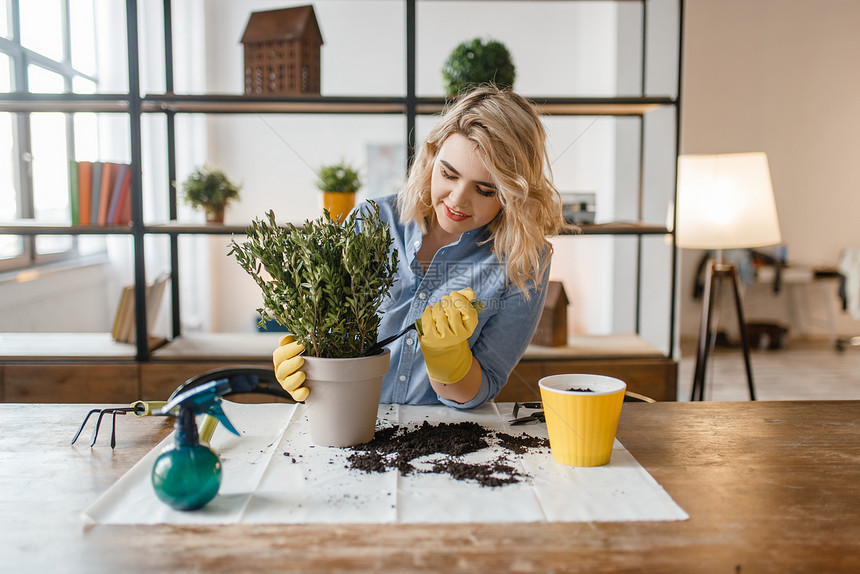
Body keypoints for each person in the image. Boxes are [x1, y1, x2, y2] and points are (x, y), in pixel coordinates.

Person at [274, 84, 567, 408]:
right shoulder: (372, 221)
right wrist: (308, 364)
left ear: (514, 194)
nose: (457, 200)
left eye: (485, 190)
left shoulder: (524, 260)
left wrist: (449, 364)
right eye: (448, 174)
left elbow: (487, 384)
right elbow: (333, 337)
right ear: (431, 156)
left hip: (443, 440)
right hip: (349, 418)